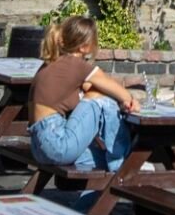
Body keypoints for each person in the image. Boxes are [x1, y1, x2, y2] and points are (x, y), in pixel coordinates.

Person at [28, 16, 142, 170]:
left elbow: (87, 86)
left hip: (39, 147)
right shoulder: (77, 65)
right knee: (100, 100)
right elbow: (116, 90)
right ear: (84, 46)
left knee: (102, 162)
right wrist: (130, 100)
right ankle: (121, 161)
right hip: (57, 143)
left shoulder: (53, 64)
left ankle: (117, 172)